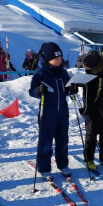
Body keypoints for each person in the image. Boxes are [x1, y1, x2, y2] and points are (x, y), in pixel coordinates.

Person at [29, 42, 71, 174]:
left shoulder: (63, 73)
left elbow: (67, 89)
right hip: (47, 111)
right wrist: (39, 90)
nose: (59, 61)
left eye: (60, 58)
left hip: (62, 111)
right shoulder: (40, 73)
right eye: (56, 58)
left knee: (63, 139)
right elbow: (32, 91)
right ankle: (44, 167)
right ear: (48, 59)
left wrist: (72, 89)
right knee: (45, 141)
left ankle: (63, 164)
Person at [78, 51, 103, 169]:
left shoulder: (101, 78)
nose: (83, 67)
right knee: (91, 136)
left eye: (85, 65)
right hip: (92, 110)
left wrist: (87, 109)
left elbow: (100, 98)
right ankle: (89, 159)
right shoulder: (90, 73)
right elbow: (87, 87)